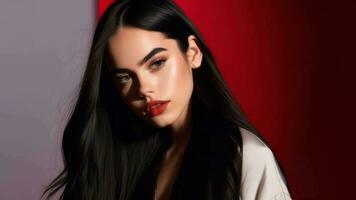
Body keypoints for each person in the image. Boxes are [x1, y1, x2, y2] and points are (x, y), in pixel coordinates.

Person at [41, 0, 292, 199]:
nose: (144, 89)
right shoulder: (115, 160)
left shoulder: (245, 156)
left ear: (192, 53)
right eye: (125, 77)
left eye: (157, 63)